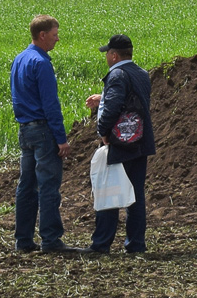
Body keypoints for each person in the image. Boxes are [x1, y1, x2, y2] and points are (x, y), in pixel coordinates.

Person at [11, 14, 81, 253]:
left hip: (25, 130)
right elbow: (51, 104)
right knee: (49, 186)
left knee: (26, 186)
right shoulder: (41, 63)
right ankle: (51, 240)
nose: (57, 39)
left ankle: (23, 240)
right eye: (54, 35)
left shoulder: (19, 59)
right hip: (43, 130)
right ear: (42, 35)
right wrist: (61, 139)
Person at [83, 34, 155, 254]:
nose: (106, 56)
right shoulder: (141, 73)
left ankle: (101, 244)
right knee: (135, 196)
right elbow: (131, 100)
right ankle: (136, 245)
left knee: (109, 191)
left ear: (114, 55)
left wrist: (103, 132)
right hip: (140, 141)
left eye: (107, 53)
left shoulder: (117, 74)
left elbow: (113, 108)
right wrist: (102, 97)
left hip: (122, 143)